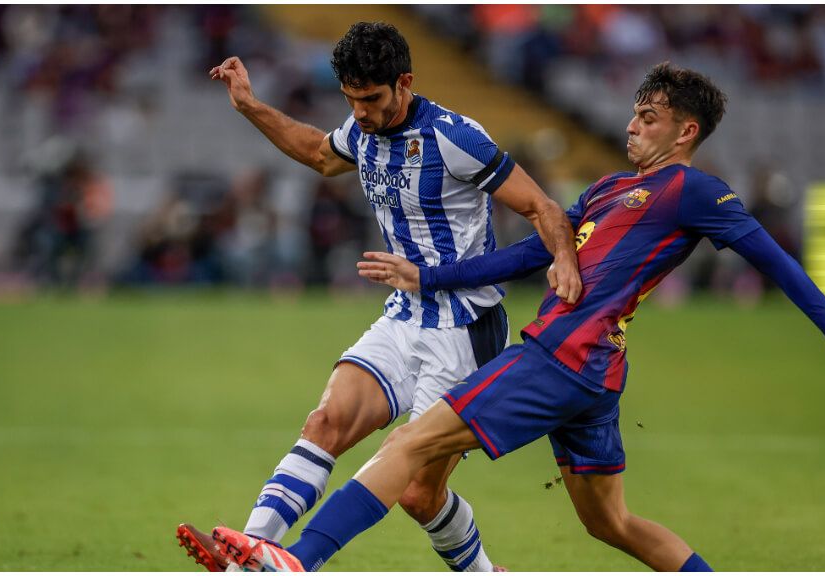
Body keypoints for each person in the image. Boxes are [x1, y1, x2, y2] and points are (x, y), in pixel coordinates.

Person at [202, 62, 825, 572]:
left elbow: (773, 259)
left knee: (408, 449)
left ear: (686, 131)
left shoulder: (695, 191)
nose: (632, 124)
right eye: (633, 112)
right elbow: (524, 255)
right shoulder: (609, 189)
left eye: (649, 117)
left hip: (559, 358)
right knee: (612, 523)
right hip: (594, 376)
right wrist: (430, 274)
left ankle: (294, 562)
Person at [176, 22, 581, 572]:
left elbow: (542, 208)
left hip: (465, 332)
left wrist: (564, 262)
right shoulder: (362, 130)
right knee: (326, 423)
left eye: (370, 99)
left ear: (404, 82)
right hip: (403, 317)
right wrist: (250, 105)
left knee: (419, 493)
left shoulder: (453, 137)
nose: (361, 112)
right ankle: (249, 554)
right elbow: (319, 153)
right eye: (351, 99)